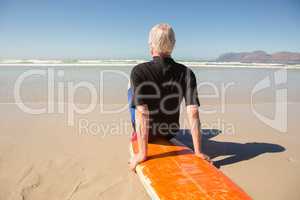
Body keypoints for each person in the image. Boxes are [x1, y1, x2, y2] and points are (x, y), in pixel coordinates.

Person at [128, 23, 210, 171]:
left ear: (151, 44)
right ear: (173, 45)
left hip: (150, 136)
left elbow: (142, 113)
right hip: (169, 132)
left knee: (131, 90)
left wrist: (142, 154)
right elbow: (193, 112)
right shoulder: (187, 73)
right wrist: (198, 152)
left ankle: (137, 134)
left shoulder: (138, 71)